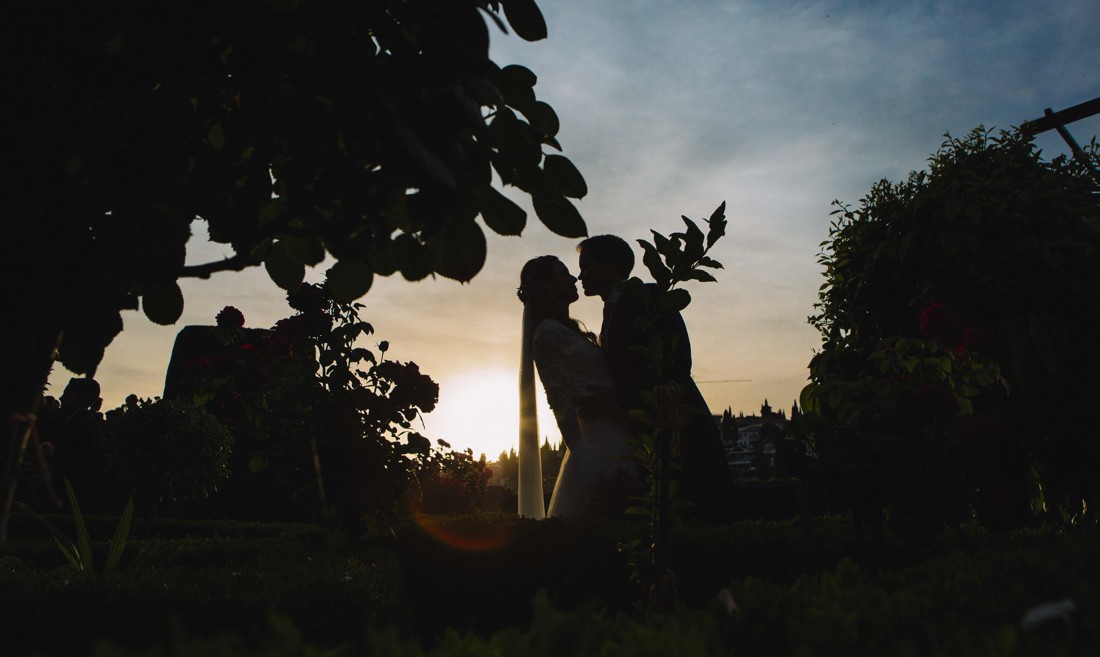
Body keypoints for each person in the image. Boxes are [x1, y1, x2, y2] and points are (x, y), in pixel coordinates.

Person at [577, 235, 735, 521]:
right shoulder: (610, 313)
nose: (580, 276)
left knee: (697, 508)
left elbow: (675, 364)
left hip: (678, 425)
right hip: (649, 433)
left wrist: (613, 399)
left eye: (586, 266)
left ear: (609, 264)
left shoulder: (647, 297)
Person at [517, 255, 640, 518]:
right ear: (548, 286)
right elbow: (559, 401)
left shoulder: (568, 331)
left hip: (617, 435)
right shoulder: (548, 333)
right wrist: (586, 458)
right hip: (600, 447)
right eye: (564, 273)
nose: (574, 278)